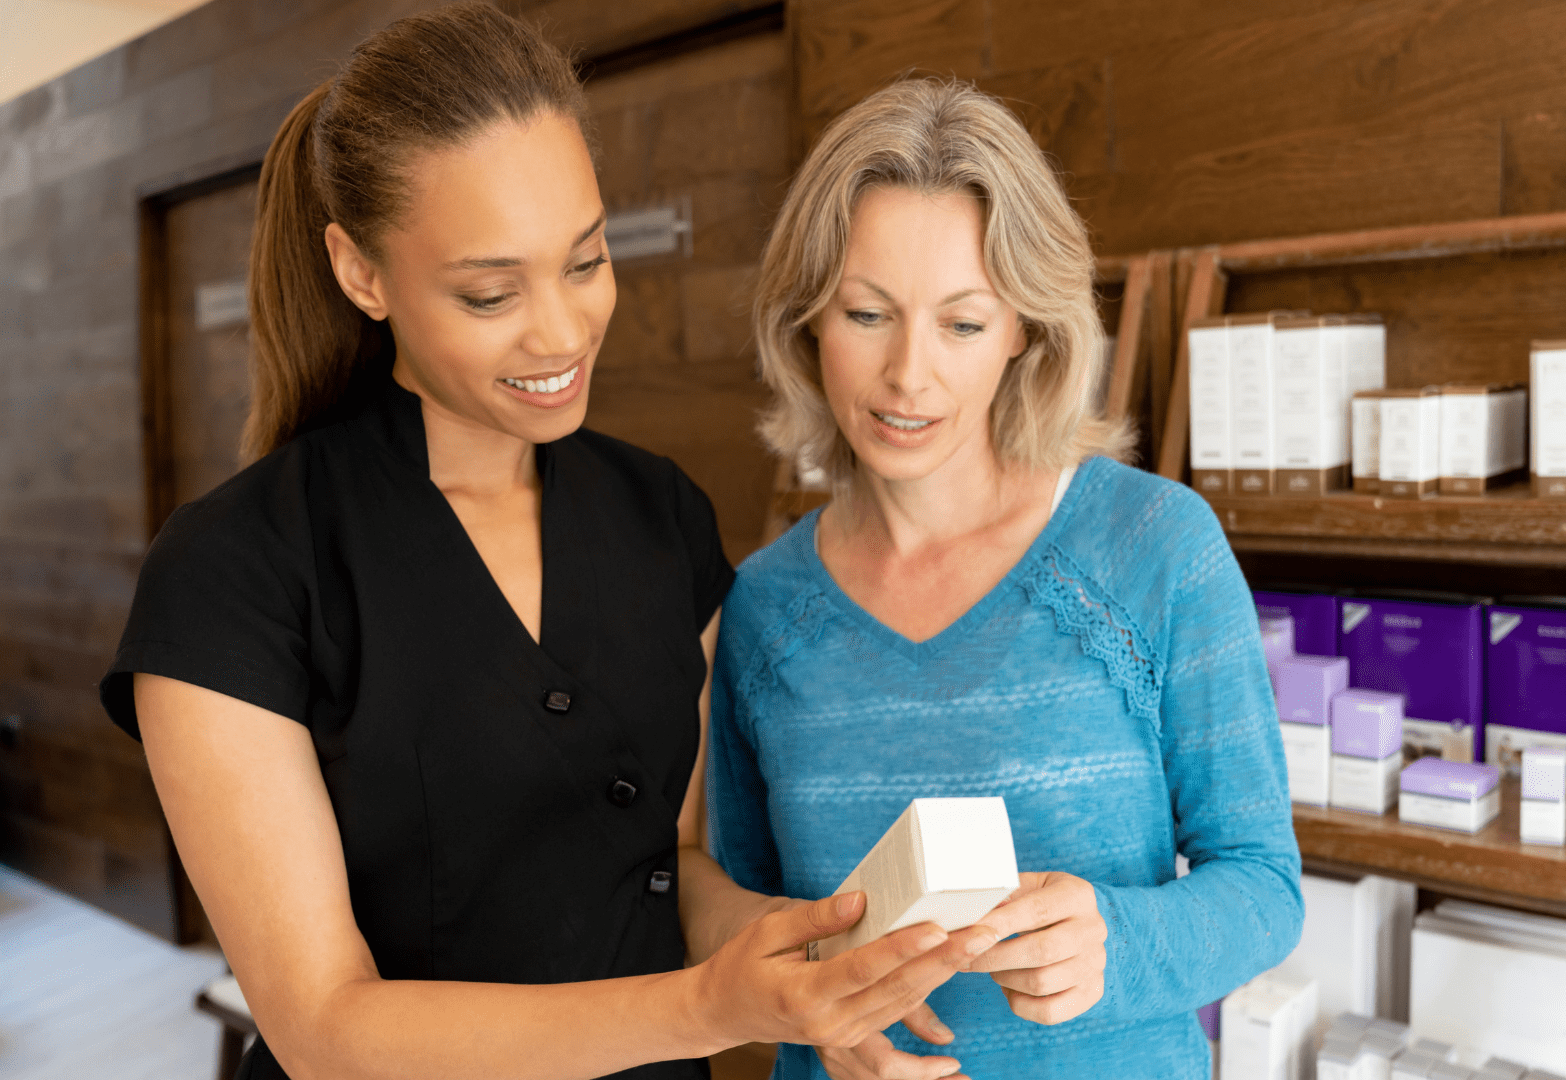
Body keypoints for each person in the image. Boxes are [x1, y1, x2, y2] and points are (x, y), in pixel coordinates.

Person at [100, 9, 992, 1080]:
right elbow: (324, 1028)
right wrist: (709, 1006)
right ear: (361, 271)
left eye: (585, 260)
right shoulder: (233, 574)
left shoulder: (661, 515)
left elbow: (665, 862)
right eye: (489, 292)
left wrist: (809, 981)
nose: (563, 333)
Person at [708, 79, 1306, 1080]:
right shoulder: (763, 608)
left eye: (963, 324)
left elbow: (1265, 887)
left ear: (1027, 326)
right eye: (867, 313)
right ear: (808, 318)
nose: (909, 373)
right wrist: (815, 1012)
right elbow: (741, 909)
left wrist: (1116, 941)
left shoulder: (1154, 547)